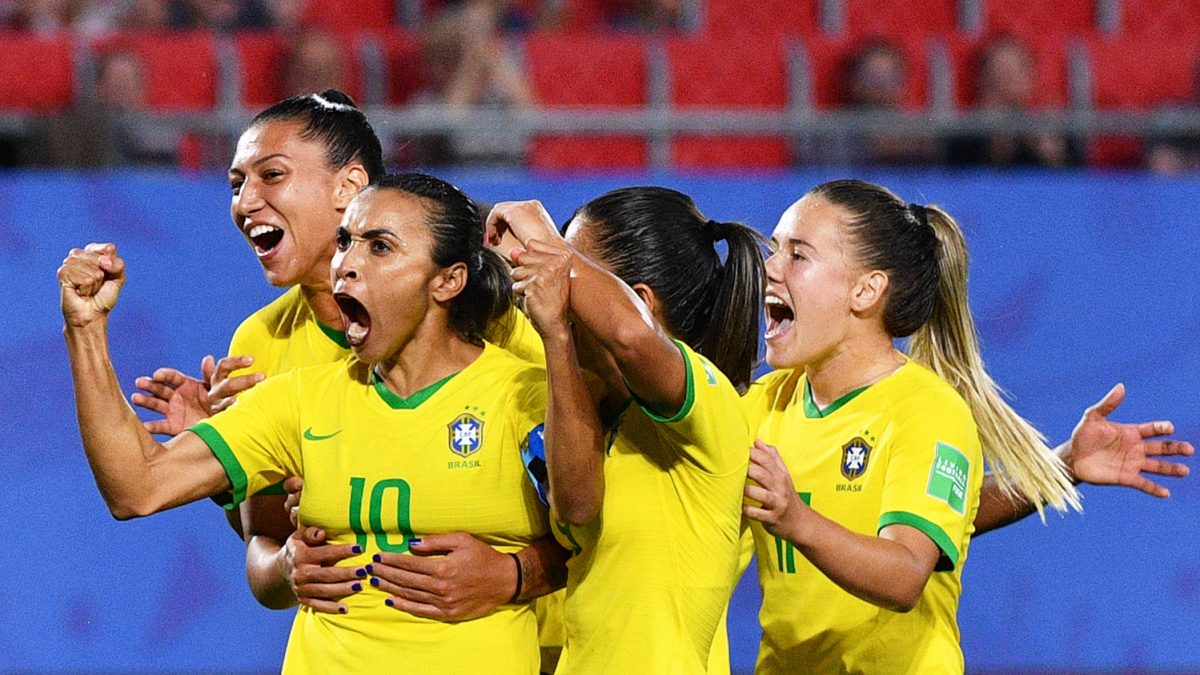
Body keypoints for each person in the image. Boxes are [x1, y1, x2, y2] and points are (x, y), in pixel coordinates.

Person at [58, 172, 580, 672]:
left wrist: (515, 575)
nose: (345, 265)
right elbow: (137, 486)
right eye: (344, 242)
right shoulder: (301, 399)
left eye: (379, 247)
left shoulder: (526, 395)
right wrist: (86, 330)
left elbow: (614, 539)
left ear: (448, 280)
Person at [129, 92, 561, 624]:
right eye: (236, 185)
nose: (245, 203)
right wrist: (231, 475)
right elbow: (266, 547)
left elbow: (590, 500)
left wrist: (512, 575)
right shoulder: (259, 342)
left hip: (530, 643)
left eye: (272, 175)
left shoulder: (483, 314)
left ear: (350, 186)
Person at [739, 178, 1191, 674]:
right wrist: (1059, 466)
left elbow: (906, 573)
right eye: (774, 250)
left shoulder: (927, 410)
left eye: (798, 256)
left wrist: (795, 521)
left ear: (866, 290)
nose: (770, 269)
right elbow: (938, 512)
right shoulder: (763, 404)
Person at [485, 186, 763, 673]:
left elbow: (631, 338)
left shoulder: (711, 405)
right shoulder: (591, 406)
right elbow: (576, 506)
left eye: (574, 270)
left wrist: (551, 246)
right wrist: (555, 336)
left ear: (639, 301)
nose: (556, 283)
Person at [945, 37, 1081, 168]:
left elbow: (1081, 175)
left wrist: (1053, 155)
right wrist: (994, 146)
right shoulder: (965, 131)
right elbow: (951, 175)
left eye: (1011, 74)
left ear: (1030, 77)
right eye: (997, 75)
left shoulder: (1051, 128)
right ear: (983, 80)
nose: (1004, 84)